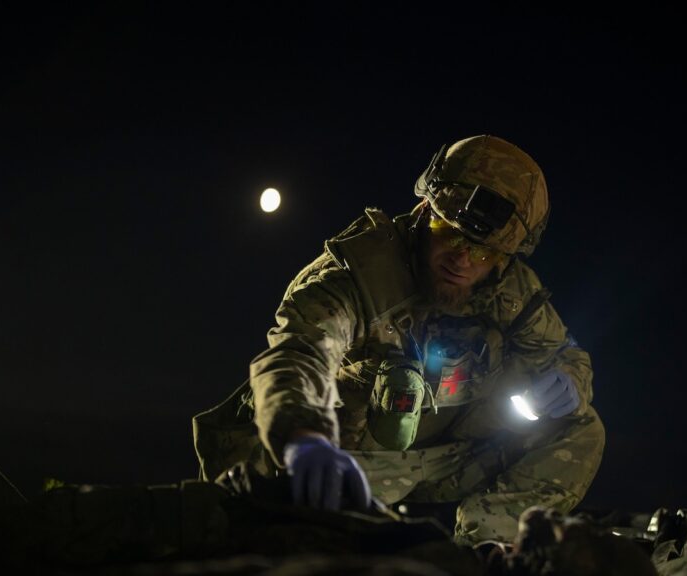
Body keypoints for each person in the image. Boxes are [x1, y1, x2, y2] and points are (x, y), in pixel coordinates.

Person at [194, 135, 605, 545]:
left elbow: (563, 353)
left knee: (580, 426)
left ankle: (486, 549)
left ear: (503, 256)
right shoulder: (359, 275)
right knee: (258, 494)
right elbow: (298, 354)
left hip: (447, 459)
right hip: (346, 464)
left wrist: (570, 379)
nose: (461, 260)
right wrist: (304, 438)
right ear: (426, 211)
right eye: (450, 232)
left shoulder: (511, 291)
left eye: (481, 251)